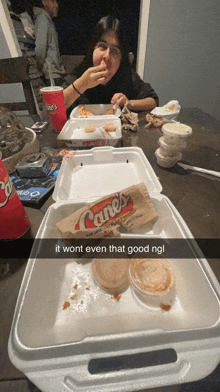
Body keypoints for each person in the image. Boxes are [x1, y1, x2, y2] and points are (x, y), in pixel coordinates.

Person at [63, 16, 159, 115]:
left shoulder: (126, 75)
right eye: (102, 46)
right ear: (92, 49)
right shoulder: (77, 76)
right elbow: (54, 108)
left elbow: (153, 100)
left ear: (121, 58)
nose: (107, 56)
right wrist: (82, 84)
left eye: (114, 50)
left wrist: (128, 103)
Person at [34, 0, 66, 86]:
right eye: (52, 1)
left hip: (54, 74)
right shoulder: (42, 19)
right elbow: (40, 49)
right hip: (51, 76)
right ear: (44, 2)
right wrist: (40, 69)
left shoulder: (47, 20)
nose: (56, 5)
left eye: (57, 2)